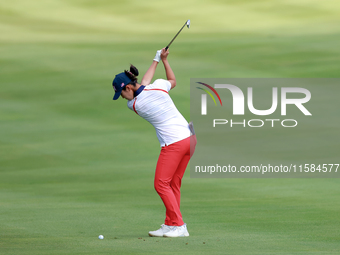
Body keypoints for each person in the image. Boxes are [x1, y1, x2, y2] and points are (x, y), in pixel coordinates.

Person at [112, 48, 196, 237]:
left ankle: (179, 225)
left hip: (174, 143)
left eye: (121, 93)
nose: (122, 98)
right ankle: (170, 223)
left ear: (128, 88)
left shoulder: (134, 104)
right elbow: (168, 82)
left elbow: (143, 84)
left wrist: (156, 60)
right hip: (189, 139)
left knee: (160, 184)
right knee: (173, 183)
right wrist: (161, 60)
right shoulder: (158, 86)